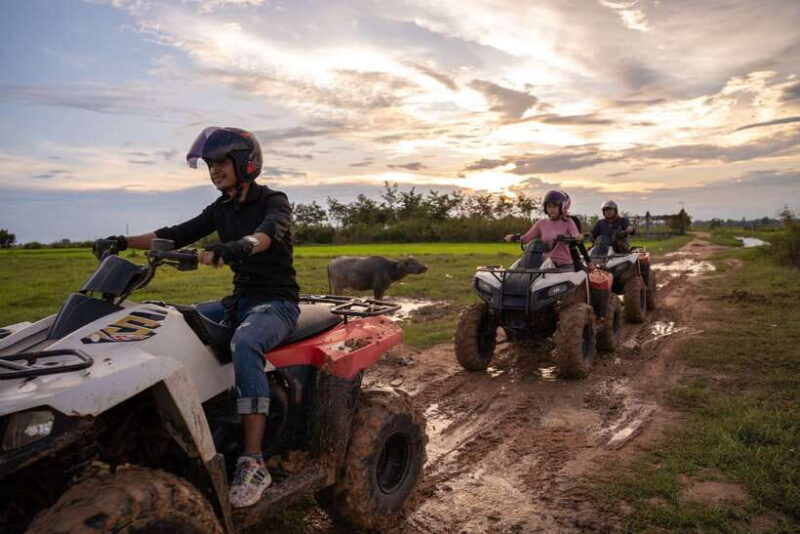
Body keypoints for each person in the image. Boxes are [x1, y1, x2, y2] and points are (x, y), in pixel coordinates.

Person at [95, 127, 300, 508]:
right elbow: (175, 234)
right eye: (209, 164)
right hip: (238, 300)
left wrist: (239, 246)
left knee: (246, 341)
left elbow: (269, 233)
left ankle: (253, 460)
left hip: (276, 303)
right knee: (169, 320)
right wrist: (122, 242)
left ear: (245, 162)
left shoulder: (273, 200)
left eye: (221, 161)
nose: (215, 170)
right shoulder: (220, 209)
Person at [504, 190, 591, 269]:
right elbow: (526, 238)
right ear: (545, 208)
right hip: (545, 265)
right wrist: (514, 237)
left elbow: (575, 235)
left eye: (555, 206)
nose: (551, 209)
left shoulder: (568, 222)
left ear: (562, 207)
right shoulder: (541, 223)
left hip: (564, 265)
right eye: (549, 206)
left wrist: (580, 237)